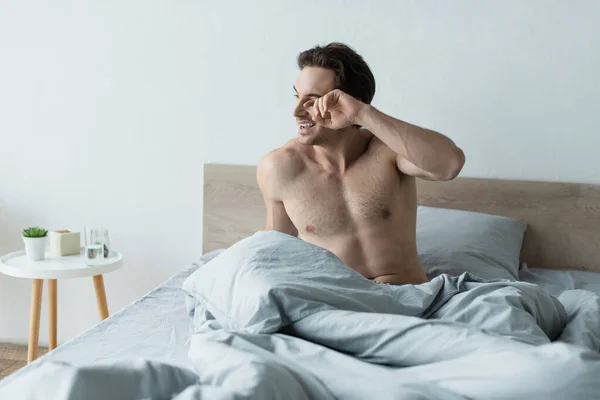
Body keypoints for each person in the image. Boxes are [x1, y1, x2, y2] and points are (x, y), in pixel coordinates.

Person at [257, 43, 465, 285]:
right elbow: (274, 249)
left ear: (347, 102)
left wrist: (363, 114)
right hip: (334, 304)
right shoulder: (280, 167)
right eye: (297, 97)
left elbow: (450, 164)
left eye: (312, 100)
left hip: (406, 297)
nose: (296, 111)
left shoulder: (388, 151)